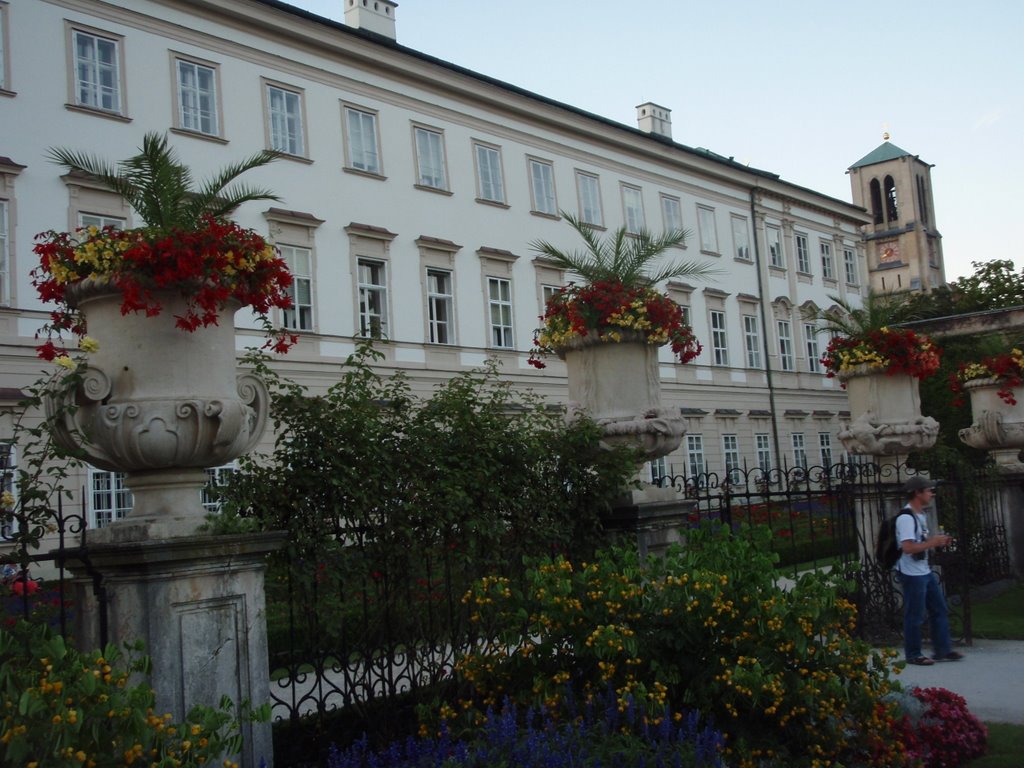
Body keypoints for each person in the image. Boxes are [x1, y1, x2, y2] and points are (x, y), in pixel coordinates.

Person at [896, 476, 964, 666]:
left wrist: (936, 542)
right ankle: (913, 654)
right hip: (912, 573)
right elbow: (908, 548)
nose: (931, 494)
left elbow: (920, 543)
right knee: (915, 615)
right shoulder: (906, 518)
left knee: (939, 609)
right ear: (917, 493)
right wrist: (932, 543)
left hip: (923, 570)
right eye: (928, 490)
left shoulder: (920, 515)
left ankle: (943, 650)